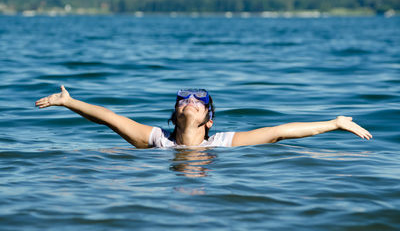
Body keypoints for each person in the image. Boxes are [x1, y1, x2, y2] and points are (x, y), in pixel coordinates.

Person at [35, 86, 372, 148]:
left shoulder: (221, 143)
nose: (191, 100)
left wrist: (333, 123)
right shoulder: (157, 141)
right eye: (184, 98)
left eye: (200, 99)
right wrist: (69, 102)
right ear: (174, 114)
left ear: (209, 120)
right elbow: (110, 118)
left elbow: (279, 132)